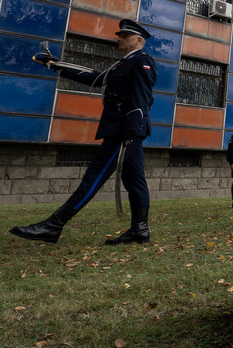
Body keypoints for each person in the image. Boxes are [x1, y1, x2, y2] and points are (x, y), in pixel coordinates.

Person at [11, 19, 158, 245]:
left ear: (138, 40)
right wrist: (58, 65)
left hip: (125, 131)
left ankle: (54, 225)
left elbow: (142, 96)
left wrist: (131, 128)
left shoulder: (142, 61)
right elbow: (96, 78)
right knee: (135, 181)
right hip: (125, 130)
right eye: (120, 35)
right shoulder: (121, 64)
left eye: (125, 36)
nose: (119, 39)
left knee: (94, 176)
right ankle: (140, 230)